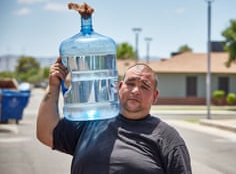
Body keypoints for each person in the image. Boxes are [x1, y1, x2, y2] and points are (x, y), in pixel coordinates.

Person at [36, 56, 192, 174]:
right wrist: (53, 86)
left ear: (155, 96)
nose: (135, 90)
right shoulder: (93, 123)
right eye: (130, 83)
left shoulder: (168, 139)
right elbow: (46, 133)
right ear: (119, 88)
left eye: (144, 86)